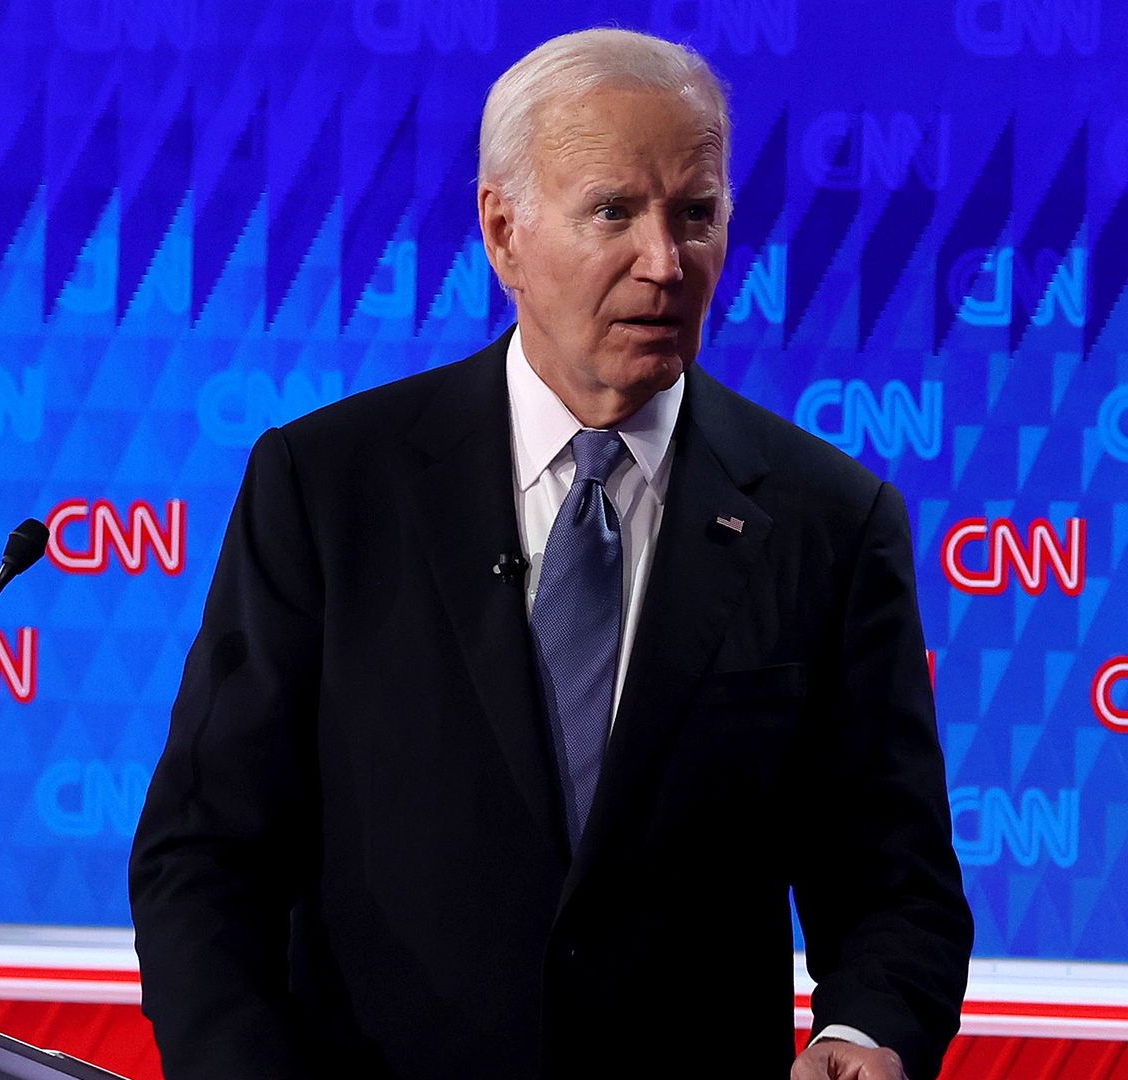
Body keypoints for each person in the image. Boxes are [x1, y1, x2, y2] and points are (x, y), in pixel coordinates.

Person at [129, 27, 971, 1080]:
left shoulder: (830, 522)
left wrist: (864, 1033)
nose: (666, 263)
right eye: (615, 211)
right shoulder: (329, 487)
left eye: (696, 215)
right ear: (504, 231)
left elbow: (898, 886)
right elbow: (206, 854)